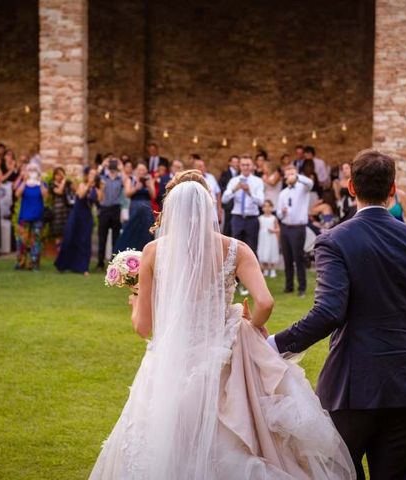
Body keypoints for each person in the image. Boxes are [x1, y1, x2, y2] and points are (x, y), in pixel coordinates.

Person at [88, 170, 354, 480]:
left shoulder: (153, 252)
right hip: (224, 351)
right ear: (209, 208)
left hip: (171, 357)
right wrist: (248, 324)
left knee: (165, 433)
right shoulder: (235, 249)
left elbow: (143, 327)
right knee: (233, 431)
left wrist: (136, 303)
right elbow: (265, 302)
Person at [267, 149, 406, 480]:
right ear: (392, 190)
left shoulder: (334, 240)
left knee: (338, 474)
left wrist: (274, 345)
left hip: (353, 381)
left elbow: (329, 311)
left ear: (350, 187)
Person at [277, 165, 314, 298]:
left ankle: (302, 288)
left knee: (298, 258)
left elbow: (310, 183)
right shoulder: (283, 193)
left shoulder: (303, 188)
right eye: (288, 174)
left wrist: (298, 177)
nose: (290, 176)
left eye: (292, 173)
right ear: (285, 177)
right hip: (285, 227)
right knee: (287, 258)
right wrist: (282, 212)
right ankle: (289, 286)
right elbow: (279, 214)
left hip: (298, 228)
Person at [221, 154, 265, 266]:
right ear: (239, 166)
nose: (245, 167)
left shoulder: (257, 181)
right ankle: (236, 280)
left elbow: (261, 202)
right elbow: (224, 200)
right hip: (237, 218)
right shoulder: (233, 181)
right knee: (235, 250)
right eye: (243, 165)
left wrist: (250, 192)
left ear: (252, 166)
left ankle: (251, 278)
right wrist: (235, 189)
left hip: (252, 219)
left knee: (252, 249)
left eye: (248, 165)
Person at [55, 168, 98, 275]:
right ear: (87, 175)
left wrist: (97, 187)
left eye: (95, 174)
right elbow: (80, 195)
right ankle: (63, 265)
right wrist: (88, 184)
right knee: (70, 238)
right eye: (91, 174)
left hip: (87, 216)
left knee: (85, 241)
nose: (93, 176)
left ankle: (83, 267)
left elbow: (100, 199)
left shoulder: (96, 188)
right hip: (76, 214)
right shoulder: (82, 184)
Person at [14, 164, 48, 270]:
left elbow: (45, 195)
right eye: (30, 170)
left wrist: (40, 181)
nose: (32, 172)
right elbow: (17, 194)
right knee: (22, 241)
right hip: (24, 216)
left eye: (34, 170)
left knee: (36, 241)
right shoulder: (24, 184)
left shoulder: (42, 184)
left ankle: (34, 263)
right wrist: (24, 180)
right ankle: (21, 262)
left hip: (37, 216)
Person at [96, 159, 124, 269]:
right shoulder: (103, 178)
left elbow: (127, 179)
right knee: (102, 236)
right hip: (104, 209)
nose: (112, 170)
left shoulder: (120, 179)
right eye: (111, 168)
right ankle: (100, 262)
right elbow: (95, 178)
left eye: (114, 168)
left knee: (116, 237)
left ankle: (114, 262)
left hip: (116, 209)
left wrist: (121, 168)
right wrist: (102, 165)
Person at [48, 167, 73, 253]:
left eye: (61, 174)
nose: (59, 176)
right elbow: (59, 191)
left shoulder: (67, 183)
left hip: (66, 212)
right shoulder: (52, 184)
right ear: (54, 176)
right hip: (57, 212)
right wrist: (63, 181)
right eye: (58, 174)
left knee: (67, 234)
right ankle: (59, 254)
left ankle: (66, 255)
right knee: (58, 235)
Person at [193, 157, 222, 223]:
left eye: (203, 166)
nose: (203, 168)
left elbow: (218, 193)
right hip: (198, 215)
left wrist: (219, 209)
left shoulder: (211, 177)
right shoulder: (192, 179)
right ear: (195, 168)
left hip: (212, 212)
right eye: (200, 166)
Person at [257, 199, 280, 278]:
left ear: (272, 208)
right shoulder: (260, 218)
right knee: (264, 252)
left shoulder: (274, 218)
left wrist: (273, 230)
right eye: (265, 206)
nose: (267, 208)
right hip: (263, 238)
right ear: (262, 208)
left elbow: (278, 229)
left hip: (271, 238)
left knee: (271, 252)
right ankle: (265, 269)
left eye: (269, 207)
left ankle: (273, 269)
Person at [219, 155, 240, 236]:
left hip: (237, 203)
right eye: (234, 162)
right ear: (230, 163)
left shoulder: (239, 174)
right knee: (227, 225)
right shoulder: (225, 173)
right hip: (228, 204)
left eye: (237, 162)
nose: (236, 164)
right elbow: (222, 187)